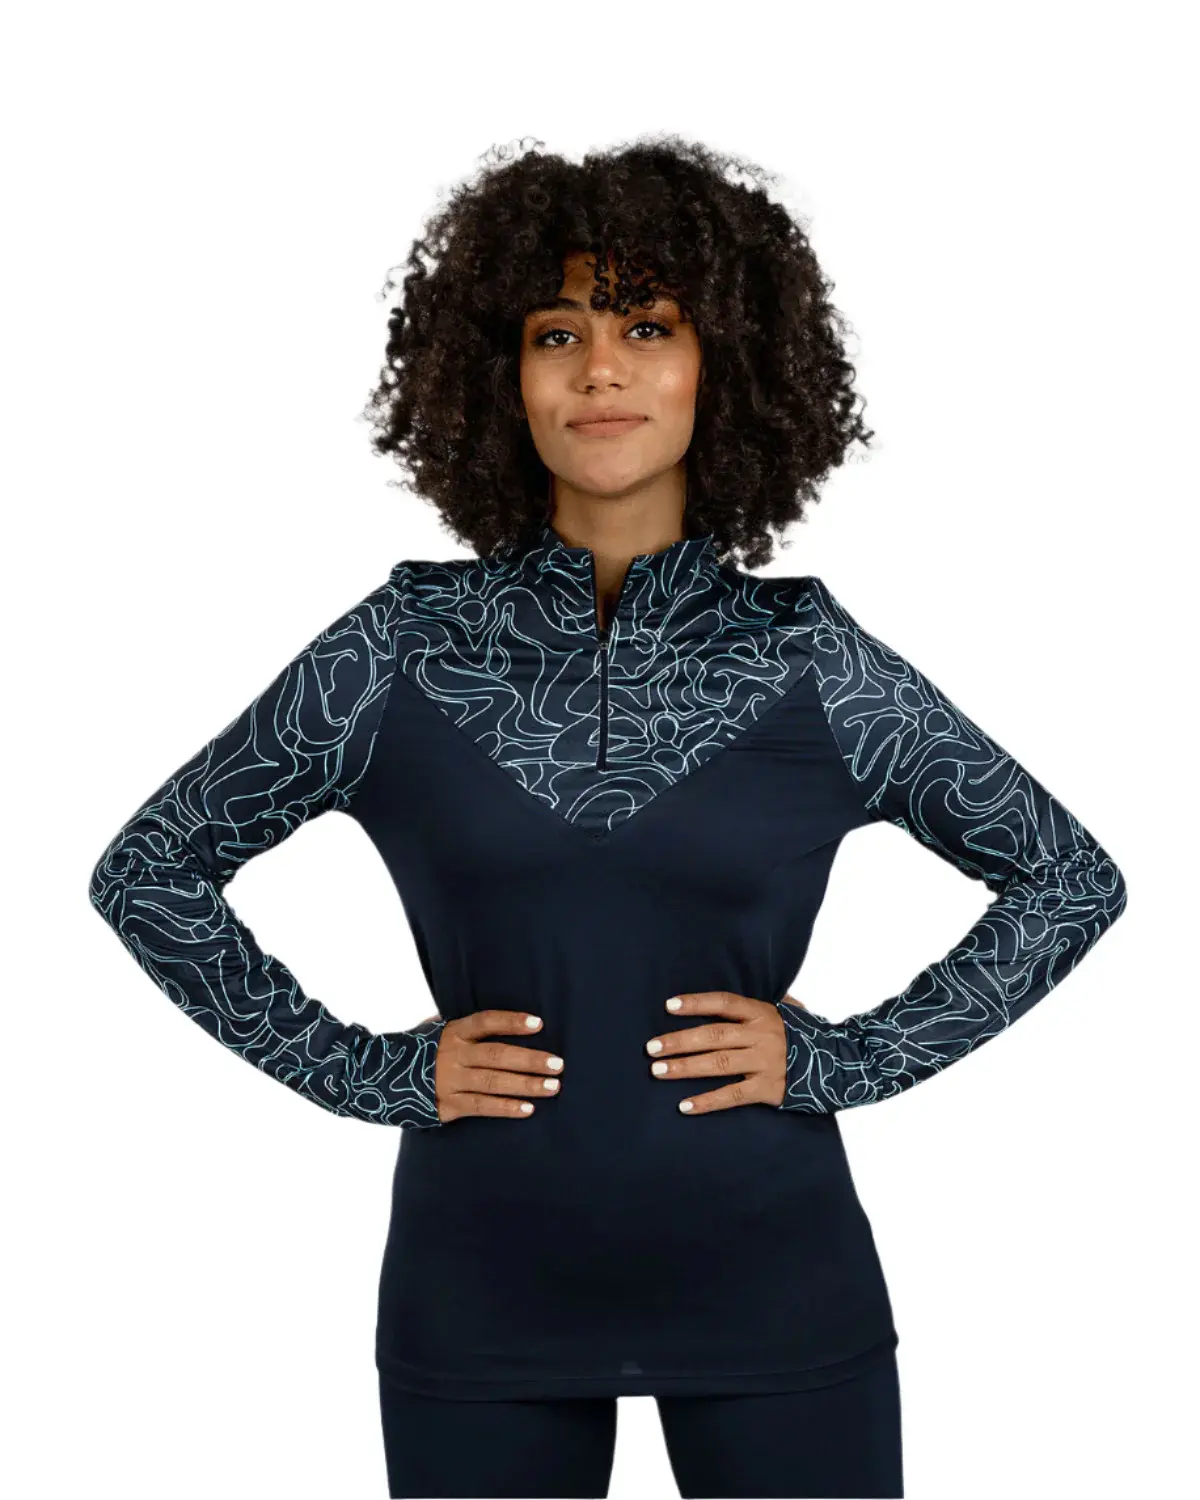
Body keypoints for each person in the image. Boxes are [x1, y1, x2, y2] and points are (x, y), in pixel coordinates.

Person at [88, 135, 1128, 1500]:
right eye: (556, 333)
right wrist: (369, 1073)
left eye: (648, 328)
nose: (600, 371)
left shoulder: (810, 662)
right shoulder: (401, 649)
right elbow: (151, 870)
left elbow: (1066, 877)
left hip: (775, 1283)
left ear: (724, 366)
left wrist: (846, 1060)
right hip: (482, 1288)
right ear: (500, 378)